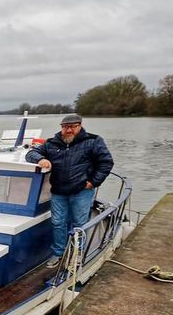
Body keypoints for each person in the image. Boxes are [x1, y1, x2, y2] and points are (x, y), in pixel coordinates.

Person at [26, 114, 114, 268]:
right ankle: (58, 253)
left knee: (79, 224)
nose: (69, 130)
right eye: (65, 127)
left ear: (80, 126)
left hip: (81, 191)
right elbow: (30, 153)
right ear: (61, 127)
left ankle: (77, 253)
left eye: (73, 126)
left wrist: (93, 182)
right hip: (58, 191)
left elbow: (106, 162)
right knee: (57, 222)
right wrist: (40, 159)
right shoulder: (52, 143)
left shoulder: (93, 141)